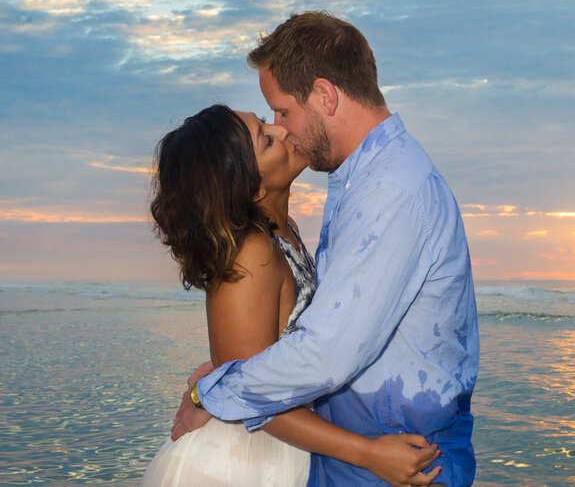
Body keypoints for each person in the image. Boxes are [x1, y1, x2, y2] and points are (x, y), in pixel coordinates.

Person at [175, 11, 480, 486]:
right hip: (363, 455)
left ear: (325, 96)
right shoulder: (357, 182)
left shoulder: (389, 191)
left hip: (404, 458)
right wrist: (232, 369)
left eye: (283, 112)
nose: (282, 128)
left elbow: (327, 351)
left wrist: (215, 390)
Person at [142, 104, 442, 486]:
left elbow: (257, 354)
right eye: (266, 139)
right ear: (252, 186)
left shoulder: (283, 232)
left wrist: (209, 383)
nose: (282, 130)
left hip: (277, 446)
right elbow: (252, 395)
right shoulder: (253, 254)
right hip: (241, 462)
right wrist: (368, 454)